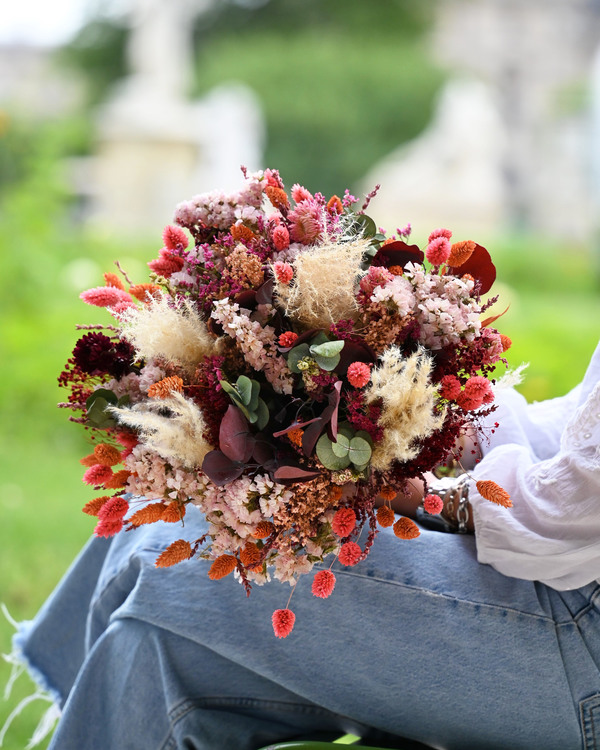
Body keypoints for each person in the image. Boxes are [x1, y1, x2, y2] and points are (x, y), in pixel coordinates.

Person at [7, 340, 600, 750]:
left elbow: (568, 512)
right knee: (154, 584)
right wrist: (410, 411)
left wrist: (423, 493)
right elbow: (581, 434)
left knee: (174, 559)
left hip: (582, 629)